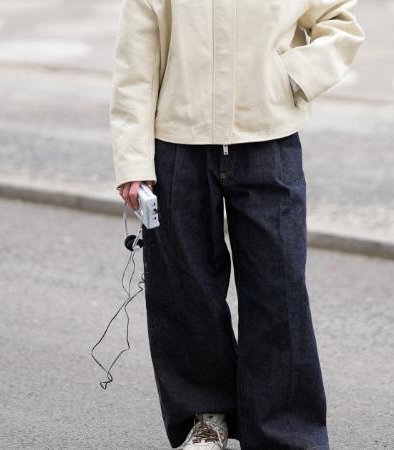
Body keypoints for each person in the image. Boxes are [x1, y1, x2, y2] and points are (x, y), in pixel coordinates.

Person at [110, 0, 364, 448]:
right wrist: (133, 159)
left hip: (269, 142)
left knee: (278, 290)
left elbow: (340, 23)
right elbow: (136, 57)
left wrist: (290, 77)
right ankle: (205, 418)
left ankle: (286, 435)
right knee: (185, 292)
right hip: (177, 144)